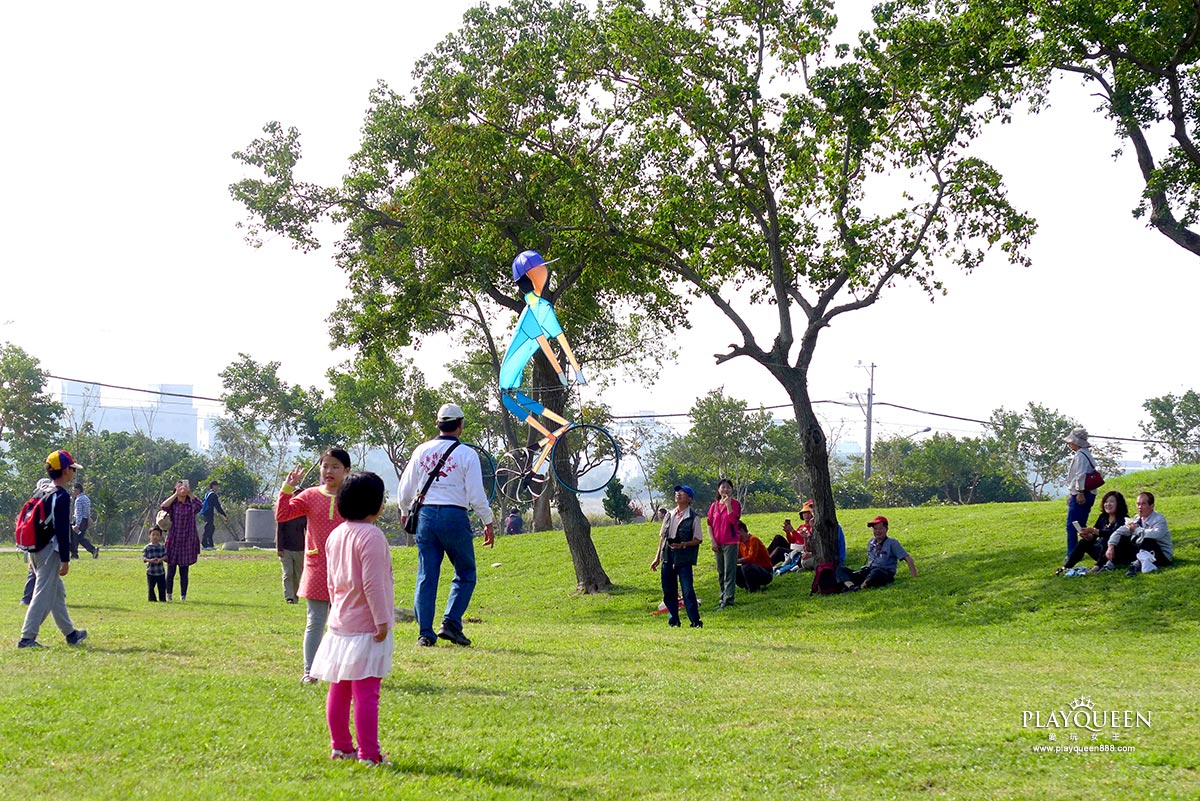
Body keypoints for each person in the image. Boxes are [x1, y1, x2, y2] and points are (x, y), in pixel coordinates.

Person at [308, 471, 395, 766]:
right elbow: (374, 583)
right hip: (366, 627)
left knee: (340, 688)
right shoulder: (372, 536)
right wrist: (382, 621)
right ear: (375, 504)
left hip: (340, 623)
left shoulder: (337, 534)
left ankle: (341, 747)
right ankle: (369, 754)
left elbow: (332, 581)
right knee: (367, 693)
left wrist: (336, 611)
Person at [398, 403, 495, 648]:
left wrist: (403, 509)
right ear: (460, 425)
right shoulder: (467, 454)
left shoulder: (422, 450)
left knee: (426, 576)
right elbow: (475, 494)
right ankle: (451, 622)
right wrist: (487, 520)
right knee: (465, 572)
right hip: (454, 516)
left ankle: (425, 634)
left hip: (426, 517)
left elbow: (406, 486)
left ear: (438, 424)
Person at [277, 448, 352, 684]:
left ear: (346, 471)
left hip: (346, 568)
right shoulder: (309, 495)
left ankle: (341, 672)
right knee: (316, 621)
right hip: (317, 567)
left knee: (343, 624)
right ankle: (310, 672)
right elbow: (282, 513)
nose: (329, 471)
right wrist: (288, 487)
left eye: (335, 467)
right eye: (325, 466)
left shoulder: (352, 497)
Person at [18, 450, 88, 648]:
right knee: (43, 595)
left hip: (35, 549)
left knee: (56, 593)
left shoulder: (42, 491)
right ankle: (27, 638)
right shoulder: (61, 496)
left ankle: (71, 634)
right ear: (65, 471)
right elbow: (63, 530)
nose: (73, 472)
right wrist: (66, 559)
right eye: (72, 468)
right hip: (50, 551)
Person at [650, 485, 704, 628]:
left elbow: (698, 539)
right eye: (677, 492)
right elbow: (662, 538)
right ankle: (674, 620)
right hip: (668, 556)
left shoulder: (693, 517)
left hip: (684, 558)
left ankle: (695, 621)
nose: (678, 494)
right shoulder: (669, 515)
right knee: (668, 590)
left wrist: (684, 545)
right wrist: (657, 558)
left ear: (689, 498)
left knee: (687, 590)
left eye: (683, 493)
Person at [1056, 490, 1128, 575]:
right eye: (1106, 502)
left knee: (1108, 540)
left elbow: (1113, 533)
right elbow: (1094, 536)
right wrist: (1087, 535)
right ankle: (1066, 567)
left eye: (1111, 502)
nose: (1108, 504)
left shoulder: (1123, 519)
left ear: (1119, 504)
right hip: (1102, 551)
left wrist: (1093, 530)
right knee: (1084, 542)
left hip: (1116, 553)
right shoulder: (1103, 517)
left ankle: (1097, 567)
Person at [1106, 491, 1173, 577]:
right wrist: (1111, 546)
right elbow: (1119, 531)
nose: (1140, 507)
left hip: (1161, 555)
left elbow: (1156, 534)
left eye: (1143, 504)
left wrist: (1136, 530)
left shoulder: (1159, 519)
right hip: (1142, 551)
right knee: (1123, 538)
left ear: (1152, 506)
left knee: (1147, 540)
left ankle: (1135, 566)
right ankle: (1110, 564)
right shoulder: (1136, 518)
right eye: (1138, 504)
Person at [841, 516, 917, 591]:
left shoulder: (892, 543)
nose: (877, 531)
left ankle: (861, 587)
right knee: (841, 570)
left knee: (877, 572)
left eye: (880, 528)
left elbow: (908, 558)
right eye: (875, 529)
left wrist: (914, 577)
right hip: (870, 571)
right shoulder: (871, 542)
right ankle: (852, 587)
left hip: (884, 573)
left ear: (886, 529)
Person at [160, 479, 202, 602]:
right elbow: (163, 506)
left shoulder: (191, 504)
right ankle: (169, 595)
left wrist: (189, 493)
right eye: (180, 487)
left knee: (184, 570)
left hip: (188, 539)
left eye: (184, 486)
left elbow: (200, 506)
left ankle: (183, 596)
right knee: (171, 569)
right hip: (174, 539)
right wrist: (176, 494)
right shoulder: (173, 504)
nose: (183, 489)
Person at [1063, 427, 1098, 558]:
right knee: (1081, 526)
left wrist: (1079, 493)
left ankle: (1072, 553)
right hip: (1085, 493)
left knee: (1072, 525)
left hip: (1083, 493)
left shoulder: (1080, 456)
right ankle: (1082, 549)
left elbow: (1080, 475)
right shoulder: (1086, 454)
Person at [707, 478, 741, 609]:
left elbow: (734, 521)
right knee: (721, 572)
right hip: (718, 543)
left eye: (728, 487)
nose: (725, 489)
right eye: (723, 487)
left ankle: (728, 600)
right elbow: (709, 524)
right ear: (718, 490)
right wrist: (712, 540)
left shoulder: (735, 504)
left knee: (729, 572)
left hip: (730, 542)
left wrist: (728, 505)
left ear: (732, 490)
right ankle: (722, 598)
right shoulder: (714, 506)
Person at [735, 521, 774, 592]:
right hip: (754, 568)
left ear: (741, 531)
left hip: (765, 572)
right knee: (732, 569)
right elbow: (737, 557)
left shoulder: (753, 540)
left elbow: (751, 558)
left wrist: (738, 561)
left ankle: (754, 589)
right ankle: (747, 586)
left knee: (747, 567)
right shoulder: (740, 543)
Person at [276, 515, 307, 604]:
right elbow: (279, 531)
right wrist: (279, 548)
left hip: (300, 548)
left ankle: (295, 596)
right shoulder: (284, 513)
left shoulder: (303, 514)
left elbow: (308, 530)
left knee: (298, 574)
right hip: (286, 549)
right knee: (288, 573)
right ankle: (289, 597)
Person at [71, 482, 99, 559]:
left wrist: (77, 524)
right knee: (79, 537)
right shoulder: (86, 498)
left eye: (73, 490)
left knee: (75, 538)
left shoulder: (78, 500)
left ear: (78, 490)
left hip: (80, 520)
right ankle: (91, 550)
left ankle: (76, 554)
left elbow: (79, 513)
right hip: (85, 520)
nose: (72, 492)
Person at [198, 480, 228, 550]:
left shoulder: (207, 493)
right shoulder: (213, 495)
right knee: (209, 528)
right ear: (213, 486)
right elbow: (217, 506)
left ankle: (209, 544)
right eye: (217, 485)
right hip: (209, 513)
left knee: (210, 528)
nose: (218, 487)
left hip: (205, 513)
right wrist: (224, 515)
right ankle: (206, 545)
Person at [143, 526, 168, 602]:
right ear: (149, 536)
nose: (155, 537)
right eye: (153, 535)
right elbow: (144, 558)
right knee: (151, 588)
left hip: (160, 572)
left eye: (157, 535)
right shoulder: (147, 548)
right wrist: (150, 560)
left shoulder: (162, 547)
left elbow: (166, 556)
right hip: (151, 572)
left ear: (160, 536)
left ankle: (162, 600)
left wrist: (161, 559)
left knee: (162, 587)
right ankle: (152, 600)